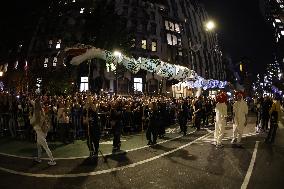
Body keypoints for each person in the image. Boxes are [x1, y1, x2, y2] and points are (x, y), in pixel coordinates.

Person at [29, 98, 56, 166]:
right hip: (43, 131)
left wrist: (30, 116)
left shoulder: (36, 113)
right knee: (39, 146)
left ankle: (52, 160)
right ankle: (39, 158)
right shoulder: (42, 111)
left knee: (45, 147)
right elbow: (33, 102)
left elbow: (31, 122)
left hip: (39, 132)